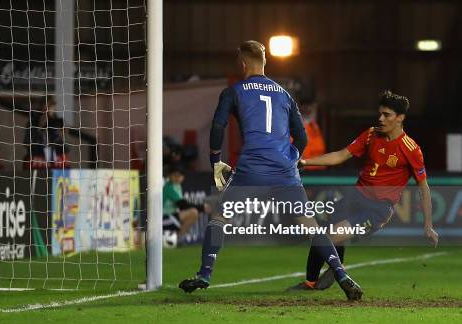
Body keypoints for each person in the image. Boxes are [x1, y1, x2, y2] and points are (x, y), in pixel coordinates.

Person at [178, 40, 362, 300]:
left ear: (242, 64)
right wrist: (292, 157)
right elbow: (303, 139)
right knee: (312, 226)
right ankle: (342, 274)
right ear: (265, 62)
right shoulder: (284, 94)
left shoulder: (234, 91)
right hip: (285, 170)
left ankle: (205, 274)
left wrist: (216, 161)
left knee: (220, 218)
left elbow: (218, 126)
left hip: (251, 168)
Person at [288, 90, 439, 291]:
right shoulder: (371, 134)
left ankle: (334, 270)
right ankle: (313, 281)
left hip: (377, 210)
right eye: (380, 113)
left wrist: (428, 225)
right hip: (355, 196)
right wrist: (305, 162)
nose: (380, 118)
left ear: (400, 118)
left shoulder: (411, 150)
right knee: (320, 234)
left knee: (330, 236)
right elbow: (340, 155)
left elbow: (423, 188)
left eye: (386, 115)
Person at [163, 164, 209, 240]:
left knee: (194, 213)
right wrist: (203, 207)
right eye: (175, 175)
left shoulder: (177, 186)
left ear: (183, 177)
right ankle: (177, 239)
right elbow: (183, 205)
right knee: (193, 212)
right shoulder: (169, 187)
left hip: (171, 217)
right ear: (169, 176)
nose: (177, 178)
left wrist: (201, 208)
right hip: (163, 219)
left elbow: (182, 206)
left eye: (179, 176)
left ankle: (177, 239)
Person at [23, 95, 66, 167]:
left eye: (51, 106)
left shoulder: (58, 122)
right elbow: (27, 143)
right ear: (41, 107)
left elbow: (67, 148)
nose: (48, 110)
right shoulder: (33, 122)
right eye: (46, 107)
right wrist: (39, 128)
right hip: (38, 160)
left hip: (56, 161)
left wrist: (62, 135)